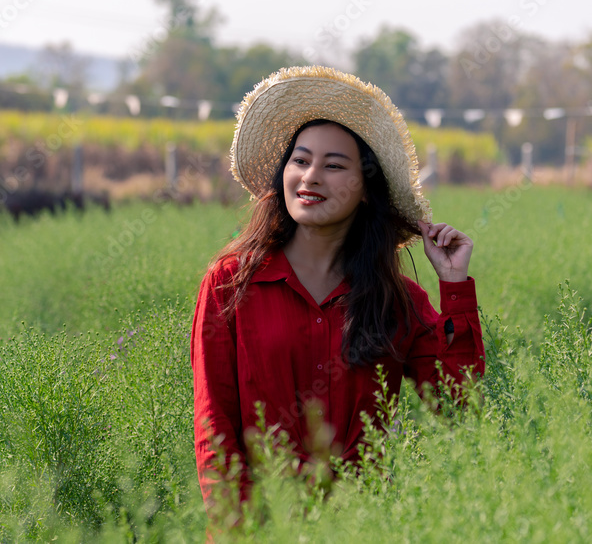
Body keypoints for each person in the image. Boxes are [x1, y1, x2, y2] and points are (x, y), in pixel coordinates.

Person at [190, 66, 486, 527]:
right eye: (300, 160)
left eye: (334, 165)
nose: (311, 176)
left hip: (360, 524)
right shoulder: (231, 283)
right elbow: (215, 425)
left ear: (366, 191)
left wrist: (454, 287)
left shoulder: (395, 300)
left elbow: (456, 406)